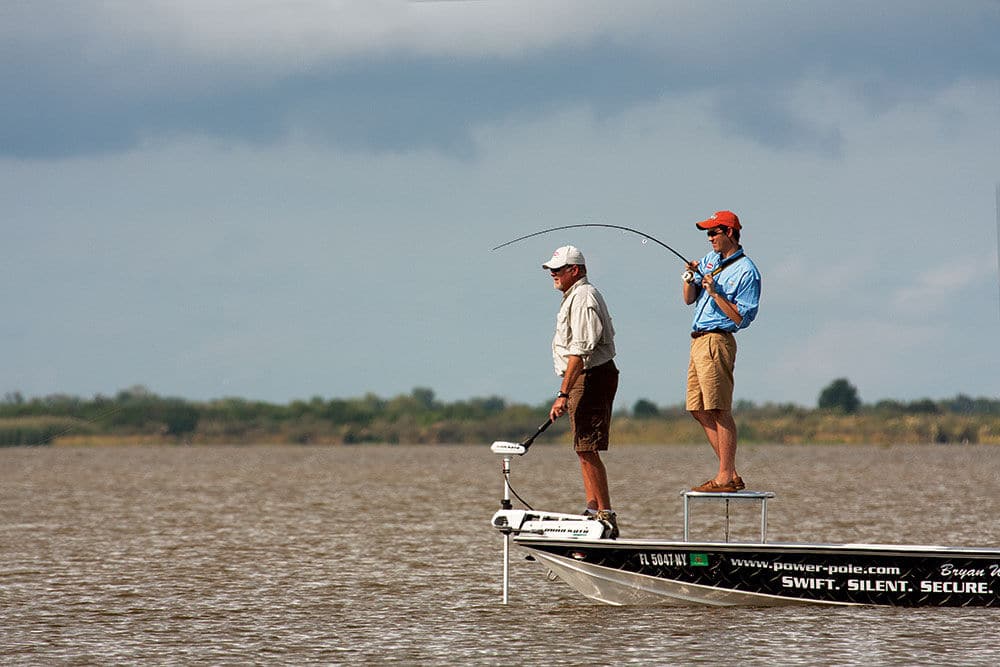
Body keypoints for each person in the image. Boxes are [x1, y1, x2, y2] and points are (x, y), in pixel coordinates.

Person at [542, 245, 621, 538]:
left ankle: (605, 515)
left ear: (575, 270)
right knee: (582, 447)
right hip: (582, 377)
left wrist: (562, 394)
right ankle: (592, 510)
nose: (553, 274)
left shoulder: (584, 297)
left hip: (592, 376)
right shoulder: (573, 297)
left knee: (587, 446)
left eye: (558, 269)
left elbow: (581, 349)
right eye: (551, 269)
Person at [681, 211, 761, 493]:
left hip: (718, 340)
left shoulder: (746, 271)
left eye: (714, 232)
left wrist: (716, 293)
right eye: (708, 233)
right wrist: (690, 277)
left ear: (729, 232)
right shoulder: (710, 260)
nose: (710, 238)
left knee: (718, 408)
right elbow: (689, 299)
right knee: (697, 408)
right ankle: (729, 472)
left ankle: (725, 475)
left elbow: (743, 318)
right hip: (698, 340)